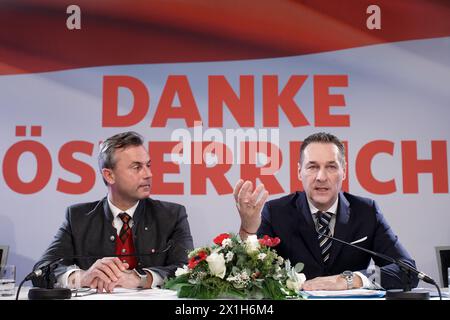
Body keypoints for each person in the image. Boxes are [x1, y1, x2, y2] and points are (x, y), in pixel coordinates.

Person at [234, 132, 418, 290]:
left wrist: (350, 280)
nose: (321, 177)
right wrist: (248, 229)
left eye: (331, 167)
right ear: (299, 172)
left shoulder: (367, 212)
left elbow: (408, 271)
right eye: (313, 167)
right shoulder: (276, 212)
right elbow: (248, 273)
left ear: (344, 172)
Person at [32, 131, 193, 292]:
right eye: (137, 167)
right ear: (109, 175)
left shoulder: (171, 216)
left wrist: (142, 278)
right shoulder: (78, 217)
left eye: (148, 165)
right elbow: (40, 271)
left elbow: (188, 270)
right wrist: (83, 277)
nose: (148, 174)